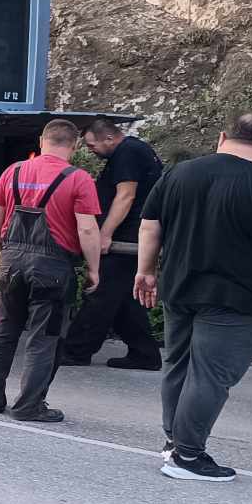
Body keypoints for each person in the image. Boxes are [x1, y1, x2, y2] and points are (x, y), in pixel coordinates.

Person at [135, 112, 252, 482]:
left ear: (222, 136)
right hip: (236, 299)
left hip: (179, 287)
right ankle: (187, 456)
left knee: (179, 366)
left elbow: (150, 226)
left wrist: (146, 271)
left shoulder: (179, 173)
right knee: (211, 377)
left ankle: (174, 441)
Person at [0, 119, 102, 423]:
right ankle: (28, 407)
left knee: (2, 332)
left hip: (10, 263)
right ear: (73, 146)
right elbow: (87, 229)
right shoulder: (78, 178)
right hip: (52, 268)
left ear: (41, 140)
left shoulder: (14, 171)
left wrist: (4, 251)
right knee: (43, 339)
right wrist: (94, 269)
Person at [61, 119, 164, 370]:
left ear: (109, 138)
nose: (90, 149)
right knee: (123, 298)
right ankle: (144, 353)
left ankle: (76, 350)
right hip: (133, 234)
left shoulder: (127, 153)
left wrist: (105, 234)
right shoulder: (133, 151)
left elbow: (126, 196)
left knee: (101, 293)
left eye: (92, 144)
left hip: (125, 236)